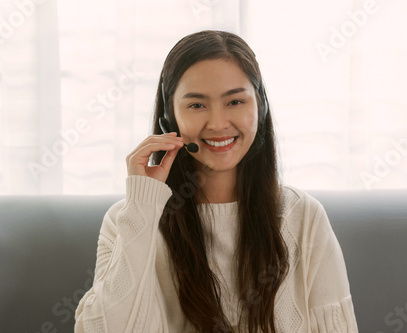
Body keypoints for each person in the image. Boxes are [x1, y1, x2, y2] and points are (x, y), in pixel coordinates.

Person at [74, 29, 358, 332]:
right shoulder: (127, 219)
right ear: (169, 119)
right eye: (196, 105)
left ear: (259, 107)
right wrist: (143, 204)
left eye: (235, 101)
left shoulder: (304, 217)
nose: (218, 124)